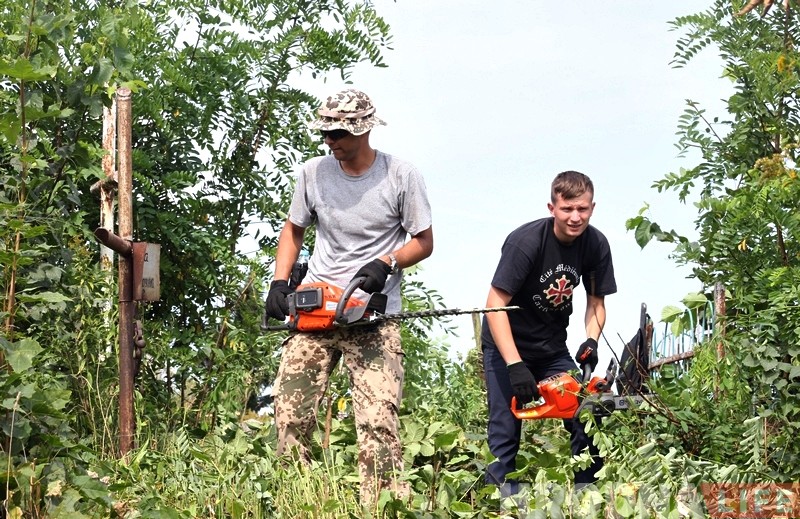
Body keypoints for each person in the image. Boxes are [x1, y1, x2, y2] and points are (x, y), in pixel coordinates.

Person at [264, 89, 434, 503]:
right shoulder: (313, 173)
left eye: (339, 132)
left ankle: (380, 506)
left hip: (372, 317)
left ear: (364, 130)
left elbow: (424, 241)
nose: (331, 141)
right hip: (316, 311)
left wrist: (388, 263)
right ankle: (298, 502)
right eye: (325, 133)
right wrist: (279, 281)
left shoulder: (401, 175)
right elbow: (293, 230)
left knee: (378, 422)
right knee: (289, 413)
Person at [481, 170, 616, 496]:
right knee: (505, 431)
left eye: (582, 209)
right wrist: (515, 365)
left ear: (592, 208)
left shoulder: (595, 244)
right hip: (506, 346)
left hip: (551, 348)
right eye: (567, 209)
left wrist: (591, 341)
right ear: (551, 207)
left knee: (585, 414)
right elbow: (494, 304)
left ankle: (589, 503)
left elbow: (596, 302)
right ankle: (501, 509)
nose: (575, 217)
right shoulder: (526, 243)